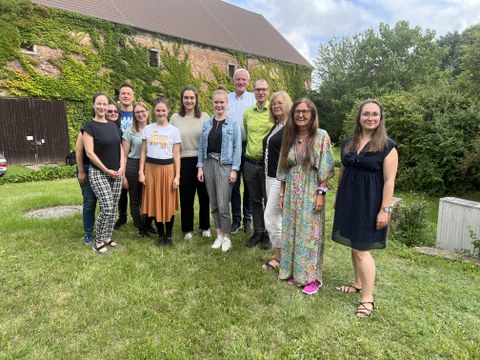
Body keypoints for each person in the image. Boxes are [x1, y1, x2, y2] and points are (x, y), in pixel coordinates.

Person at [332, 99, 398, 317]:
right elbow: (343, 171)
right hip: (349, 200)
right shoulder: (350, 142)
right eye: (366, 114)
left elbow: (389, 181)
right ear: (359, 117)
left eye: (375, 114)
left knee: (362, 249)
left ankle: (368, 299)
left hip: (370, 203)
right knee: (353, 244)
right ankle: (358, 283)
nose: (370, 118)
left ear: (380, 118)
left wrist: (384, 210)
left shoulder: (387, 146)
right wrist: (338, 197)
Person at [277, 98, 335, 295]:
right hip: (292, 189)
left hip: (311, 189)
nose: (300, 115)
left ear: (312, 114)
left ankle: (311, 278)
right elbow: (284, 166)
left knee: (310, 233)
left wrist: (321, 193)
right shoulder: (290, 135)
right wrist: (282, 193)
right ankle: (294, 272)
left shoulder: (321, 136)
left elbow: (326, 167)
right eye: (297, 112)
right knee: (292, 231)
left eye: (304, 111)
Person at [197, 89, 241, 252]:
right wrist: (200, 166)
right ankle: (219, 234)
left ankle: (227, 237)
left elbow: (237, 148)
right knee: (214, 203)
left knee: (223, 204)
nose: (219, 105)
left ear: (227, 104)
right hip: (208, 164)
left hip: (224, 165)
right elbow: (202, 146)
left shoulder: (233, 124)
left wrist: (234, 169)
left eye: (222, 102)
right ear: (212, 103)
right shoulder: (207, 123)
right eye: (216, 102)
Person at [83, 93, 124, 255]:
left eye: (104, 104)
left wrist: (121, 166)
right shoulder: (89, 127)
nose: (102, 107)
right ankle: (98, 241)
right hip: (99, 172)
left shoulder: (113, 125)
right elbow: (89, 153)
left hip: (116, 172)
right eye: (98, 104)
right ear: (93, 105)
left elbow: (119, 147)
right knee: (106, 206)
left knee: (113, 207)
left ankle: (107, 236)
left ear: (108, 106)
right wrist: (106, 170)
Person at [170, 86, 211, 240]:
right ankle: (187, 229)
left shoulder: (205, 117)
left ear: (196, 99)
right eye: (186, 98)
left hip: (202, 161)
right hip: (183, 161)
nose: (189, 101)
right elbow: (171, 141)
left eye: (192, 98)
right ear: (182, 100)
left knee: (204, 196)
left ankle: (205, 226)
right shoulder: (175, 118)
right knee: (186, 196)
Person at [139, 96, 181, 246]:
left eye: (163, 110)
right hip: (151, 170)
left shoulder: (174, 131)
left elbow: (176, 155)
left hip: (168, 170)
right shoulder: (148, 129)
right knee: (156, 202)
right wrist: (141, 172)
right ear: (154, 111)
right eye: (158, 110)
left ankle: (169, 237)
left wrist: (177, 176)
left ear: (168, 111)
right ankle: (161, 236)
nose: (161, 113)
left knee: (168, 204)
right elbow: (143, 151)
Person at [261, 91, 292, 270]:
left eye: (280, 103)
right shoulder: (278, 125)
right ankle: (282, 255)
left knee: (271, 218)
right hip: (269, 175)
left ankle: (281, 259)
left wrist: (284, 184)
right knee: (277, 218)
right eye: (273, 104)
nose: (276, 106)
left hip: (279, 179)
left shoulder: (290, 127)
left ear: (287, 104)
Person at [243, 78, 272, 249]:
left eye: (264, 89)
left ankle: (268, 234)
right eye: (258, 89)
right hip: (250, 164)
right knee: (254, 200)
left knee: (269, 200)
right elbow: (247, 135)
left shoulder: (274, 112)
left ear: (268, 91)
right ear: (253, 92)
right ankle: (258, 232)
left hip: (268, 165)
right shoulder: (248, 113)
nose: (261, 92)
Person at [227, 68, 255, 233]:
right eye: (238, 79)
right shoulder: (227, 99)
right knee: (234, 183)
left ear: (248, 82)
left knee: (249, 184)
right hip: (232, 147)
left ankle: (248, 219)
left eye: (244, 79)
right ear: (233, 81)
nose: (241, 82)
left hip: (248, 146)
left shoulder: (253, 99)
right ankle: (236, 219)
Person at [122, 102, 154, 237]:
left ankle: (148, 224)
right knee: (135, 200)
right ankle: (141, 228)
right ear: (134, 115)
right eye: (137, 112)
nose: (140, 114)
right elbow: (124, 154)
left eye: (143, 111)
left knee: (150, 198)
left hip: (152, 165)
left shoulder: (154, 129)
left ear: (148, 112)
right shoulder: (129, 131)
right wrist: (123, 175)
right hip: (134, 165)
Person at [114, 83, 135, 230]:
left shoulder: (138, 112)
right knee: (121, 188)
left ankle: (138, 216)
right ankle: (122, 217)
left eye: (128, 93)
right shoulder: (115, 114)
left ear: (133, 96)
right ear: (119, 97)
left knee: (136, 188)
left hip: (135, 155)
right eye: (123, 93)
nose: (126, 96)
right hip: (117, 155)